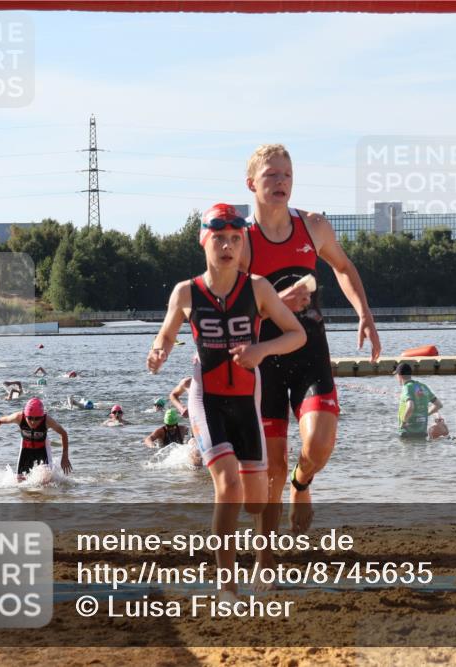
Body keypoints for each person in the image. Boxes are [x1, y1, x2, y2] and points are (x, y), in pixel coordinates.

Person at [147, 202, 305, 598]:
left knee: (255, 502)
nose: (227, 246)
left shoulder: (258, 288)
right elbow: (166, 333)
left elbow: (296, 334)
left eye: (235, 239)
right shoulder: (186, 292)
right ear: (204, 241)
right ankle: (227, 585)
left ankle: (260, 567)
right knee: (227, 484)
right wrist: (159, 351)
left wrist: (261, 350)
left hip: (246, 400)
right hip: (208, 399)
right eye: (219, 239)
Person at [242, 143, 382, 538]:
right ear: (251, 183)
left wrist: (364, 314)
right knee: (272, 470)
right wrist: (275, 304)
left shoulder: (314, 226)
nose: (281, 182)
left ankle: (301, 484)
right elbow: (229, 312)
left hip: (309, 353)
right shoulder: (242, 240)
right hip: (263, 360)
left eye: (287, 175)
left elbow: (344, 266)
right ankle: (265, 556)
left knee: (319, 445)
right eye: (271, 175)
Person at [0, 397, 72, 481]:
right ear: (25, 415)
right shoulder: (19, 417)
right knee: (20, 481)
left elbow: (63, 433)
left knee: (46, 480)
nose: (33, 422)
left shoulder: (47, 421)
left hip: (42, 448)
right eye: (30, 418)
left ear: (42, 416)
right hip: (26, 448)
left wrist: (65, 456)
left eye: (37, 419)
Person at [395, 363, 443, 439]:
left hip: (407, 433)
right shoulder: (423, 386)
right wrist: (424, 414)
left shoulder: (406, 388)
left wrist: (404, 422)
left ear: (399, 376)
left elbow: (410, 406)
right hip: (422, 432)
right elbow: (439, 405)